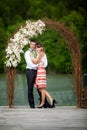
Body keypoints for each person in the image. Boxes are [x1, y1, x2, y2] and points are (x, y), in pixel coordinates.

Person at [24, 41, 51, 108]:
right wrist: (38, 66)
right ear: (29, 44)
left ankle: (45, 103)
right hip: (30, 71)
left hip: (38, 72)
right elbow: (30, 63)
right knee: (30, 88)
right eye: (32, 44)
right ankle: (32, 105)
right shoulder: (27, 53)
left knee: (40, 88)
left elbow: (44, 62)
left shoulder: (38, 52)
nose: (33, 46)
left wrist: (41, 66)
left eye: (34, 44)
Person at [30, 43, 57, 108]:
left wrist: (31, 57)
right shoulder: (39, 54)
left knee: (41, 88)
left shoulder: (41, 54)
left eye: (38, 47)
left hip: (41, 71)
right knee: (41, 89)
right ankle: (51, 100)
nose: (37, 49)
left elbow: (35, 62)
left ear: (41, 48)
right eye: (36, 47)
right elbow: (38, 62)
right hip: (39, 70)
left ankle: (42, 103)